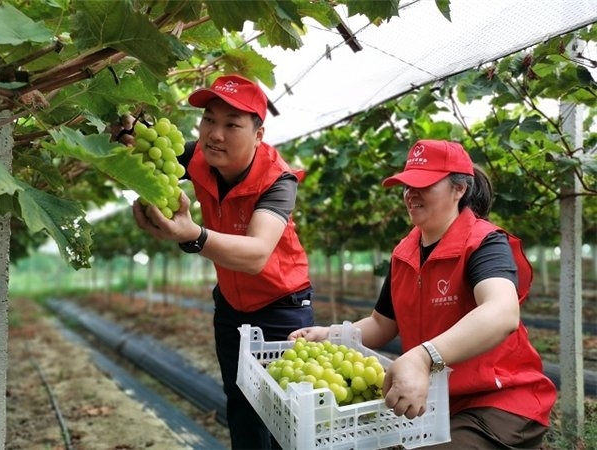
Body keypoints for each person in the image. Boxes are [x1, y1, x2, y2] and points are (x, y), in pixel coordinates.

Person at [289, 140, 557, 449]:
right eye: (406, 185)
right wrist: (330, 334)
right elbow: (381, 324)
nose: (410, 194)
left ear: (459, 189)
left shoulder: (484, 243)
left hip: (499, 401)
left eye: (424, 184)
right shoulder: (405, 253)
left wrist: (422, 357)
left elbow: (502, 312)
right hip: (436, 400)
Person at [132, 74, 314, 449]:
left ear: (258, 134)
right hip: (231, 306)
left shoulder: (278, 180)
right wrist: (126, 131)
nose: (215, 134)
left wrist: (191, 235)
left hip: (283, 308)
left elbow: (257, 253)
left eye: (232, 125)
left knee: (286, 416)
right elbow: (146, 152)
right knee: (242, 408)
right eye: (209, 120)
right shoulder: (198, 156)